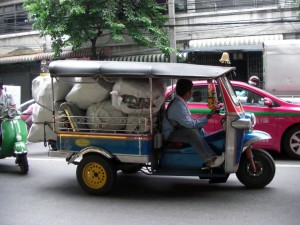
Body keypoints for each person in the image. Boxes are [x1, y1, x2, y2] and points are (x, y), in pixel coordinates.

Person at [162, 79, 224, 168]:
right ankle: (209, 159)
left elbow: (188, 121)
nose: (192, 92)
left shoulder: (180, 103)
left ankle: (211, 153)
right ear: (187, 92)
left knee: (199, 129)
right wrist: (206, 118)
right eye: (191, 90)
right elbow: (190, 124)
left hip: (177, 130)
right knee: (192, 132)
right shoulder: (177, 106)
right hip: (170, 135)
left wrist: (206, 118)